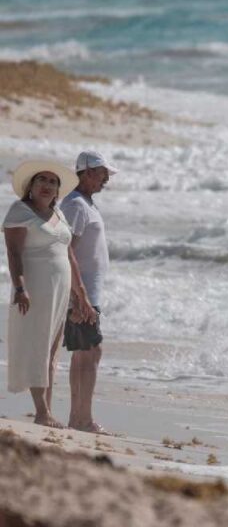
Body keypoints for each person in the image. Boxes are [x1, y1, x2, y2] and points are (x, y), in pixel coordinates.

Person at [3, 159, 96, 428]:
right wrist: (20, 288)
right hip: (35, 288)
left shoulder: (59, 214)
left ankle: (47, 410)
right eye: (41, 180)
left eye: (52, 182)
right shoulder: (19, 211)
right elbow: (13, 253)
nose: (47, 185)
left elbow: (69, 255)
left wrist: (81, 294)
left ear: (58, 190)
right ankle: (41, 412)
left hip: (60, 289)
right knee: (37, 347)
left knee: (52, 352)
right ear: (30, 185)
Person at [60, 151, 118, 434]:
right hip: (81, 293)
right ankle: (81, 419)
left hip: (88, 292)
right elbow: (66, 249)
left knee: (88, 352)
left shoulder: (86, 203)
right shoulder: (75, 205)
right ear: (85, 172)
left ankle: (79, 417)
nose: (105, 180)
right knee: (89, 352)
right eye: (101, 174)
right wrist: (78, 296)